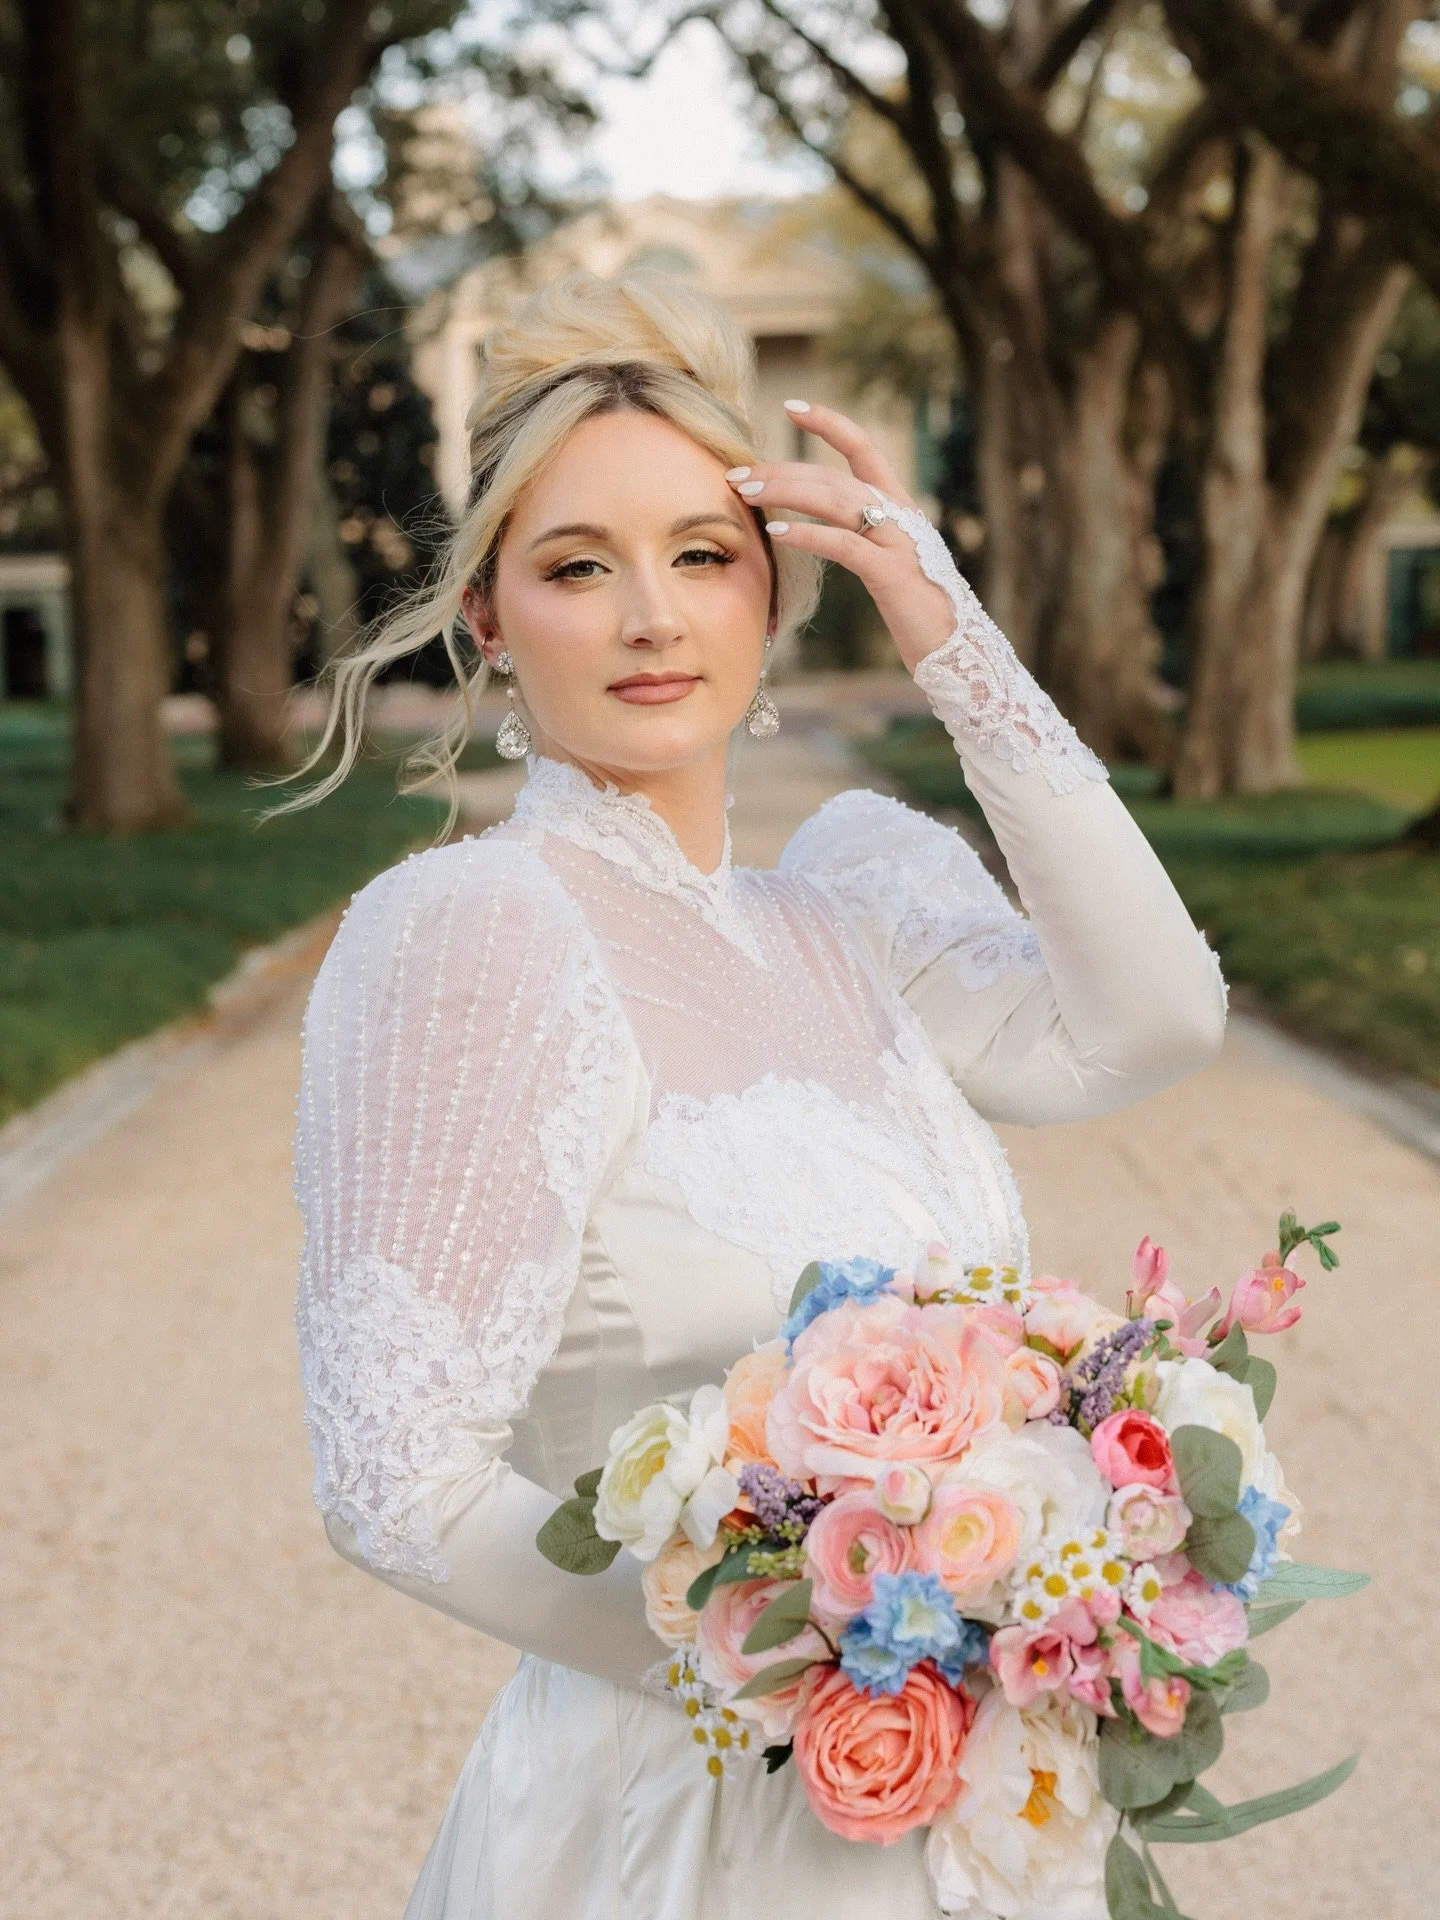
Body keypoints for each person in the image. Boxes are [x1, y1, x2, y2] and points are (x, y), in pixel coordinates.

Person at [291, 269, 1226, 1918]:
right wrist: (831, 1667)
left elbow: (1153, 1020)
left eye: (703, 556)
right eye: (579, 566)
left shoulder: (853, 901)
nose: (652, 617)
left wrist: (951, 632)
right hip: (697, 1809)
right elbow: (393, 1478)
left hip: (973, 1806)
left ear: (776, 586)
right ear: (490, 616)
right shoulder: (475, 933)